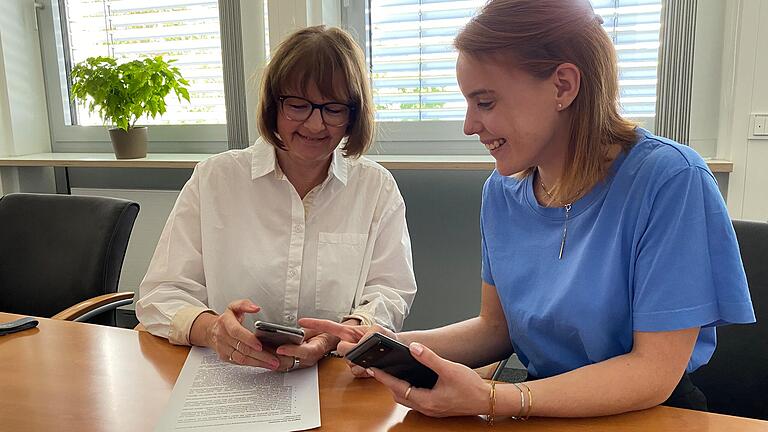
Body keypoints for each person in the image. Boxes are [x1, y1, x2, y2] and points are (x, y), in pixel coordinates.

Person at [301, 0, 755, 420]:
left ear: (563, 85)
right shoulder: (502, 191)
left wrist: (499, 399)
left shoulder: (670, 180)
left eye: (486, 101)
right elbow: (496, 330)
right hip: (537, 406)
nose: (468, 125)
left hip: (648, 414)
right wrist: (389, 346)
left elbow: (653, 372)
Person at [136, 25, 417, 373]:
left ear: (353, 115)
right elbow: (160, 293)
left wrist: (334, 337)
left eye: (332, 109)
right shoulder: (215, 180)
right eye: (298, 105)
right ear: (273, 105)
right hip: (228, 374)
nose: (315, 125)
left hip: (333, 375)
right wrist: (213, 331)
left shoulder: (376, 188)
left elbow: (391, 292)